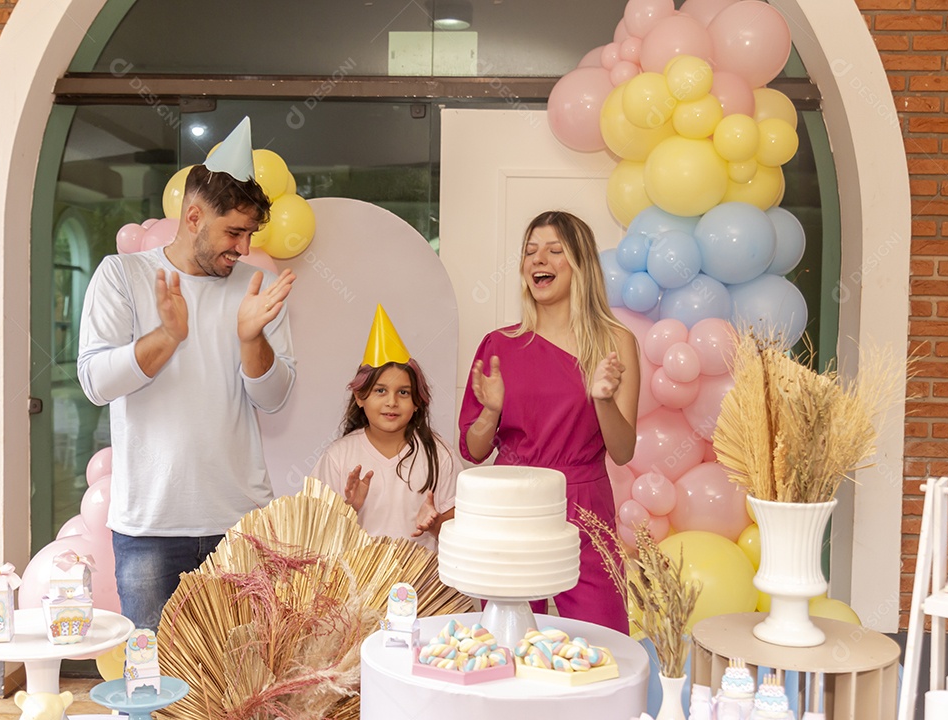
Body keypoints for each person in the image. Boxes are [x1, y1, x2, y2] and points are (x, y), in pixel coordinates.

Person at [77, 118, 297, 630]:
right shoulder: (122, 276)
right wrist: (167, 337)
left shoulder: (257, 288)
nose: (244, 248)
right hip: (149, 528)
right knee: (153, 674)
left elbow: (275, 398)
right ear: (194, 216)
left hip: (242, 525)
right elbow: (96, 382)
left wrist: (251, 338)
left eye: (250, 234)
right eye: (234, 232)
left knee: (243, 673)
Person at [458, 210, 639, 632]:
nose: (539, 259)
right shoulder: (499, 344)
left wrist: (603, 399)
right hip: (513, 505)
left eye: (555, 250)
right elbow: (473, 451)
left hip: (586, 503)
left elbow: (623, 450)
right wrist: (491, 412)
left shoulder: (616, 342)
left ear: (581, 264)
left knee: (603, 640)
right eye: (530, 251)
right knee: (508, 640)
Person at [311, 305, 459, 552]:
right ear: (360, 397)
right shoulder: (337, 457)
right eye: (380, 391)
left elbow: (462, 533)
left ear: (417, 402)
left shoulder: (439, 455)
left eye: (403, 392)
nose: (392, 402)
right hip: (356, 576)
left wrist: (434, 525)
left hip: (422, 576)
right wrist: (348, 510)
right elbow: (315, 535)